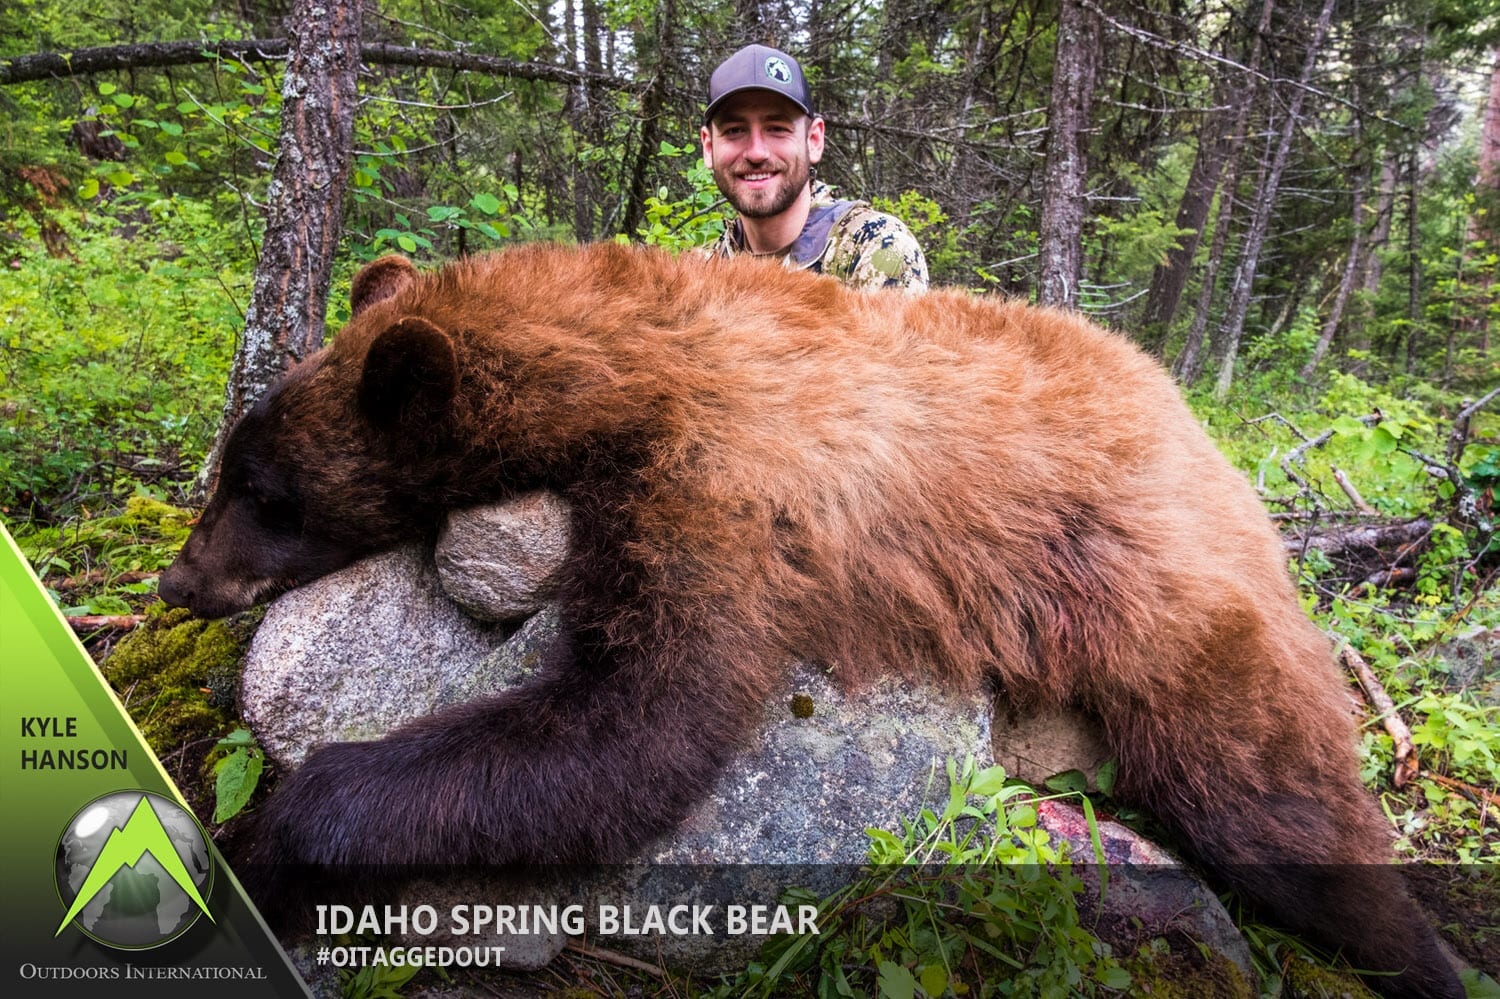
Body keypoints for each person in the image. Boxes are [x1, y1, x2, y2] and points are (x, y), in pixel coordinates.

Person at [700, 44, 929, 293]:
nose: (757, 153)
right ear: (709, 148)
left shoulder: (872, 248)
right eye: (735, 131)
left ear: (814, 140)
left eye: (777, 128)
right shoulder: (700, 272)